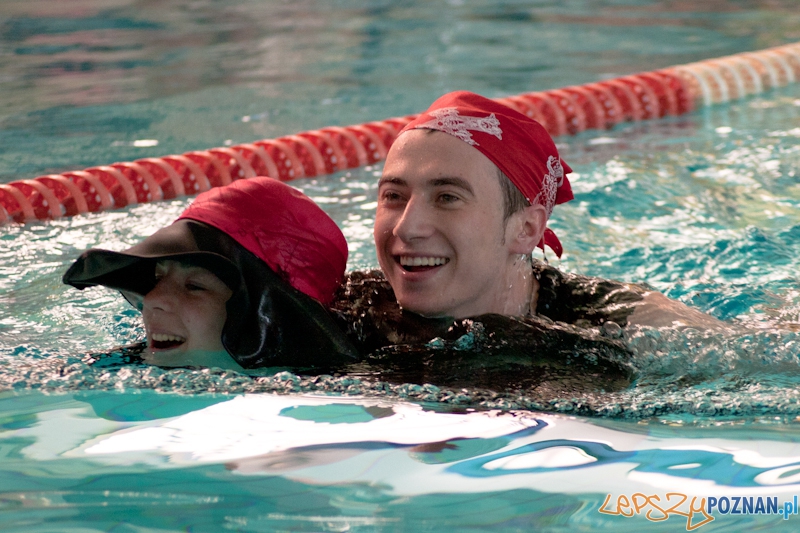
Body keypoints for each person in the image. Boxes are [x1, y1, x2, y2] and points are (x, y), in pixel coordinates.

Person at [331, 91, 722, 366]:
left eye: (447, 197)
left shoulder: (616, 322)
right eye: (393, 197)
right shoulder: (349, 304)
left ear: (526, 228)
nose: (407, 227)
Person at [63, 177, 358, 372]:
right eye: (157, 277)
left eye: (194, 286)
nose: (153, 300)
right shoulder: (116, 369)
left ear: (263, 320)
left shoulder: (342, 393)